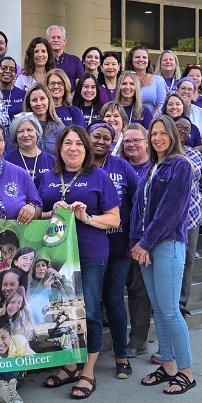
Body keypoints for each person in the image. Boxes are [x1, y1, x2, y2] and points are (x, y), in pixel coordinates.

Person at [37, 125, 121, 400]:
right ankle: (70, 365)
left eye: (79, 144)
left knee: (90, 311)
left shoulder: (99, 177)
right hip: (57, 256)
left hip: (90, 252)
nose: (73, 148)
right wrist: (51, 212)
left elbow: (114, 219)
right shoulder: (48, 177)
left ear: (86, 149)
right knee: (62, 311)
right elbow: (39, 215)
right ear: (59, 148)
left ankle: (88, 371)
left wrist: (86, 218)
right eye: (67, 143)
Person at [130, 114, 197, 395]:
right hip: (145, 246)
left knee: (170, 310)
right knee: (159, 309)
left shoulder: (181, 165)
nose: (157, 138)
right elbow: (139, 209)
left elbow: (171, 210)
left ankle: (186, 371)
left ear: (173, 135)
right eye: (153, 134)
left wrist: (145, 243)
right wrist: (138, 244)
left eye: (162, 133)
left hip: (166, 243)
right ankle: (167, 364)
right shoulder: (152, 167)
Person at [88, 121, 137, 379]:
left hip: (119, 245)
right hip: (88, 248)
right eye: (96, 136)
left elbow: (137, 203)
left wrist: (135, 238)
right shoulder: (80, 166)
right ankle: (86, 361)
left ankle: (121, 355)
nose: (101, 141)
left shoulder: (122, 167)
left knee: (115, 300)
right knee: (91, 305)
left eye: (107, 137)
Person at [172, 116, 202, 320]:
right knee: (169, 261)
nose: (182, 130)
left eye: (186, 128)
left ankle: (180, 303)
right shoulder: (162, 152)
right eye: (178, 126)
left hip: (192, 217)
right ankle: (165, 303)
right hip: (167, 219)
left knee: (187, 261)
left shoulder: (197, 156)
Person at [117, 123, 152, 355]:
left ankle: (138, 340)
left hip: (144, 242)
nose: (131, 145)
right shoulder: (117, 167)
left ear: (146, 142)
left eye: (136, 140)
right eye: (127, 141)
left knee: (139, 292)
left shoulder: (156, 168)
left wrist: (143, 242)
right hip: (118, 240)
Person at [4, 113, 55, 181]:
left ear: (37, 132)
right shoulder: (7, 162)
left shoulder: (52, 161)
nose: (25, 135)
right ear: (15, 135)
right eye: (20, 131)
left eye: (29, 130)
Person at [22, 82, 65, 153]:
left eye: (42, 99)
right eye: (34, 100)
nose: (39, 103)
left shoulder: (59, 129)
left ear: (49, 100)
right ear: (29, 103)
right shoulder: (21, 128)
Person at [125, 46, 166, 114]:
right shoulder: (125, 79)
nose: (141, 60)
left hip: (153, 121)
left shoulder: (158, 80)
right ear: (131, 59)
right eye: (137, 57)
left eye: (144, 57)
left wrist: (150, 119)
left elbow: (161, 104)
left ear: (148, 61)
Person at [174, 77, 202, 145]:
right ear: (177, 91)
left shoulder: (201, 113)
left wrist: (195, 149)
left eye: (190, 89)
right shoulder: (166, 108)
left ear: (193, 94)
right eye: (183, 88)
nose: (186, 92)